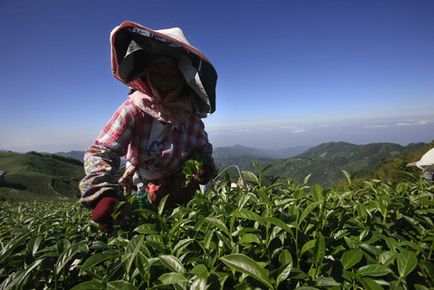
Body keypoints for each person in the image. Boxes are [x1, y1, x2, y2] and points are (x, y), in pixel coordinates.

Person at [79, 21, 218, 232]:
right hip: (145, 187)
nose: (164, 80)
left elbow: (201, 148)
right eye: (157, 73)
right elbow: (101, 151)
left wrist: (204, 167)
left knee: (186, 233)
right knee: (150, 233)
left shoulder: (188, 113)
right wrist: (102, 193)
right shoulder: (134, 109)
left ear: (183, 77)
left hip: (183, 186)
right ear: (147, 74)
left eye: (172, 74)